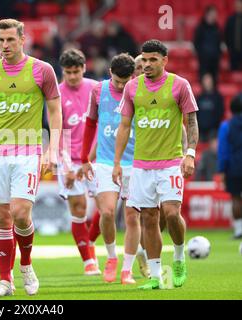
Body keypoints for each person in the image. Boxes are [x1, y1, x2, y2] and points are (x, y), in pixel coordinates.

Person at [0, 19, 62, 296]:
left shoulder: (42, 70)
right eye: (1, 40)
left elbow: (55, 111)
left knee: (21, 214)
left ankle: (26, 264)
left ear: (23, 40)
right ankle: (5, 281)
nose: (5, 45)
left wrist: (53, 148)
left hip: (27, 152)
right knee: (2, 218)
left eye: (10, 40)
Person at [113, 39, 199, 290]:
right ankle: (155, 275)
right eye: (144, 59)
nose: (147, 64)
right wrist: (117, 162)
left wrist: (190, 153)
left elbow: (191, 122)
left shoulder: (179, 85)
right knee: (149, 218)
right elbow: (124, 126)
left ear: (164, 60)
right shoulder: (132, 88)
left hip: (171, 162)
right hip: (141, 166)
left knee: (171, 214)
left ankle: (180, 257)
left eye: (153, 59)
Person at [81, 53, 140, 285]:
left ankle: (127, 269)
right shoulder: (98, 90)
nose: (121, 86)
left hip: (136, 163)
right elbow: (90, 123)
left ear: (132, 77)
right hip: (105, 162)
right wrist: (85, 157)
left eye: (125, 82)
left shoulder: (140, 90)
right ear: (110, 75)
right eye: (117, 81)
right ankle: (112, 257)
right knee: (106, 212)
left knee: (132, 218)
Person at [57, 48, 100, 276]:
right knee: (79, 209)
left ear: (84, 68)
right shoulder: (56, 93)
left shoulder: (96, 89)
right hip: (70, 160)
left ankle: (90, 241)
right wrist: (65, 167)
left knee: (107, 209)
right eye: (68, 72)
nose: (72, 76)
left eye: (76, 71)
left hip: (96, 158)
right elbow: (57, 131)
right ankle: (88, 261)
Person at [218, 93, 242, 239]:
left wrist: (222, 170)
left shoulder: (226, 126)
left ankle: (239, 230)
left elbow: (223, 150)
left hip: (234, 168)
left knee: (235, 198)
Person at [193, 5, 222, 83]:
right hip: (204, 61)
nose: (214, 16)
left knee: (215, 81)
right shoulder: (200, 28)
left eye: (215, 15)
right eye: (212, 14)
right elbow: (196, 43)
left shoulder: (217, 27)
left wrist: (218, 54)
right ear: (207, 14)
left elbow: (219, 43)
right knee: (203, 81)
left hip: (214, 61)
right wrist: (201, 54)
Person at [196, 73, 224, 142]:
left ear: (213, 82)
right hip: (200, 131)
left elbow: (220, 113)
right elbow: (196, 114)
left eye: (209, 81)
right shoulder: (199, 97)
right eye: (205, 81)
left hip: (213, 130)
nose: (207, 83)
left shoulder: (218, 97)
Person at [224, 0, 242, 71]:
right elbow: (226, 34)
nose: (238, 7)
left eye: (240, 5)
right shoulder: (230, 19)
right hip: (233, 51)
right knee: (234, 71)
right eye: (237, 5)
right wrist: (230, 47)